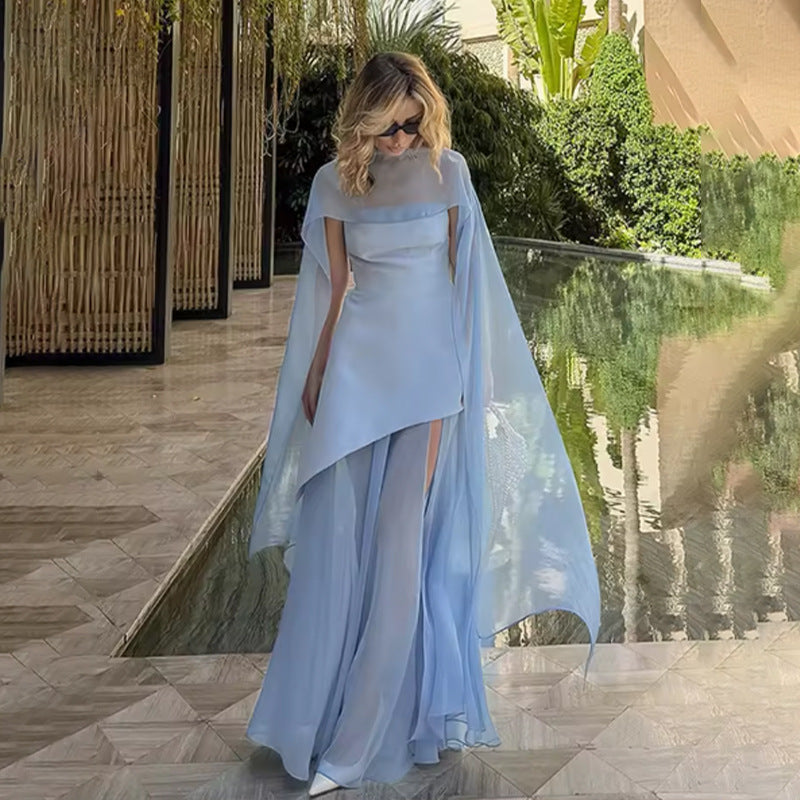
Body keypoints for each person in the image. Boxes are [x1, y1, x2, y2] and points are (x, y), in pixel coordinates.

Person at [246, 51, 600, 795]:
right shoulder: (334, 183)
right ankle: (314, 720)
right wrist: (315, 371)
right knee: (336, 544)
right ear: (363, 122)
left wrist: (475, 377)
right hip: (355, 372)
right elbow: (335, 289)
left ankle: (357, 744)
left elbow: (464, 281)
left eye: (411, 125)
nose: (402, 140)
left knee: (400, 542)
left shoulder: (450, 173)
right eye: (388, 128)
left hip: (430, 375)